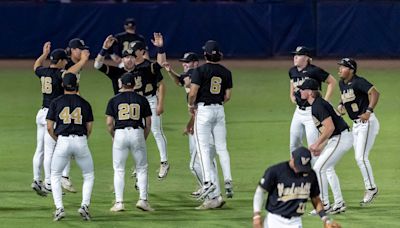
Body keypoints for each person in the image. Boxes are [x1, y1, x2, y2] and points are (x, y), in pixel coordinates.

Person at [164, 53, 224, 209]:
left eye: (187, 62)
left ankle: (212, 195)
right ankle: (215, 194)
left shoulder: (195, 76)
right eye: (183, 62)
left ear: (196, 63)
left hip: (203, 123)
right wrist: (171, 71)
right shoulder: (197, 75)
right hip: (212, 119)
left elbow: (195, 105)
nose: (184, 64)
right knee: (208, 161)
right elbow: (181, 81)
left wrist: (191, 122)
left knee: (195, 164)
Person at [32, 42, 89, 195]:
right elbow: (69, 74)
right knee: (50, 150)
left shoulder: (43, 71)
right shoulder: (59, 74)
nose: (65, 62)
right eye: (64, 60)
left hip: (41, 113)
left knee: (40, 149)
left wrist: (44, 54)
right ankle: (50, 182)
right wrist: (83, 61)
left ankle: (37, 179)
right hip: (52, 115)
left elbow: (36, 66)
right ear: (60, 61)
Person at [188, 40, 233, 203]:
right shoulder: (226, 72)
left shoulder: (199, 71)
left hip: (204, 111)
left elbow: (193, 93)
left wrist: (190, 105)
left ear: (205, 54)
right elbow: (227, 96)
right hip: (219, 110)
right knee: (222, 147)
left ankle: (207, 182)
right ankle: (228, 180)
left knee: (203, 148)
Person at [298, 79, 353, 215]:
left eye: (302, 89)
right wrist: (321, 146)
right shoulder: (317, 104)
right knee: (327, 168)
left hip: (341, 137)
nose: (300, 91)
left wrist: (317, 144)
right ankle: (338, 203)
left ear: (310, 92)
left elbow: (330, 127)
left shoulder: (318, 105)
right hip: (339, 137)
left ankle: (324, 204)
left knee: (319, 168)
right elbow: (327, 129)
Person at [252, 147, 341, 228]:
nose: (301, 170)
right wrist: (257, 215)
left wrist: (325, 219)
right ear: (292, 159)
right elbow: (260, 191)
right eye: (299, 166)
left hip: (295, 222)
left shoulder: (311, 175)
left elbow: (315, 198)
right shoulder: (275, 171)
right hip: (274, 221)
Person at [46, 73, 95, 221]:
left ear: (62, 85)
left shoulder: (56, 102)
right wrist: (82, 141)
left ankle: (59, 208)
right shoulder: (85, 103)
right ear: (77, 85)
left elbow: (49, 127)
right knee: (88, 175)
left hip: (63, 141)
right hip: (81, 140)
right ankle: (85, 206)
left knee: (55, 175)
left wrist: (58, 139)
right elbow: (89, 127)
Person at [106, 72, 154, 212]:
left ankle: (119, 203)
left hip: (120, 133)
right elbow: (148, 123)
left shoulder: (114, 100)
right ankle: (143, 200)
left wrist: (114, 136)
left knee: (119, 169)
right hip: (137, 132)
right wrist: (142, 137)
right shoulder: (142, 99)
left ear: (121, 84)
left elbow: (109, 123)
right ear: (134, 84)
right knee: (142, 168)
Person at [337, 58, 380, 206]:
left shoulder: (358, 81)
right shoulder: (341, 83)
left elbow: (375, 93)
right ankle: (370, 187)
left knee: (361, 157)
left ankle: (371, 188)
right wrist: (341, 104)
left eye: (342, 67)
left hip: (367, 122)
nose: (339, 69)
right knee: (359, 158)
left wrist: (368, 111)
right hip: (356, 125)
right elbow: (345, 97)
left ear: (351, 70)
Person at [128, 38, 169, 179]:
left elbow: (161, 65)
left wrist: (160, 48)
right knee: (138, 134)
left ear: (141, 52)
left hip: (151, 100)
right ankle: (139, 163)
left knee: (156, 130)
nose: (131, 54)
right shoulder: (129, 67)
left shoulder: (149, 66)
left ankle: (164, 162)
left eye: (134, 51)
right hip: (137, 102)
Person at [289, 46, 337, 159]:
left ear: (306, 58)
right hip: (298, 112)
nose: (295, 57)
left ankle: (317, 172)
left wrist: (325, 100)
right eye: (295, 54)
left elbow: (332, 81)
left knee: (314, 145)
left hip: (312, 112)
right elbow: (292, 83)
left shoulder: (314, 71)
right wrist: (291, 96)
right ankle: (296, 170)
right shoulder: (292, 71)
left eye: (299, 55)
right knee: (293, 144)